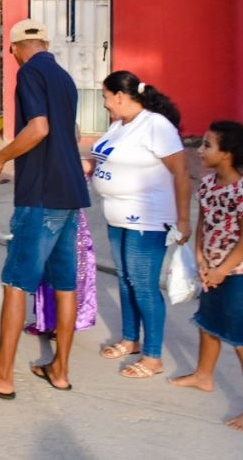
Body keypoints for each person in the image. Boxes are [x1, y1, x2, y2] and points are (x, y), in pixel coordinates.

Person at [0, 19, 90, 398]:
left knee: (17, 283)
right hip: (71, 194)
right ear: (45, 42)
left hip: (41, 195)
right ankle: (60, 369)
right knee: (65, 284)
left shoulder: (29, 73)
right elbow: (72, 132)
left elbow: (39, 128)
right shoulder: (64, 77)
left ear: (14, 49)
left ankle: (1, 375)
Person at [170, 121, 243, 432]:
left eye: (207, 146)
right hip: (213, 271)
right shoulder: (208, 184)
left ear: (227, 154)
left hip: (241, 276)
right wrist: (201, 258)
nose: (200, 151)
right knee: (207, 325)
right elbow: (204, 223)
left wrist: (220, 270)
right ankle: (203, 376)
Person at [90, 70, 191, 379]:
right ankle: (131, 338)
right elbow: (102, 160)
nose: (105, 104)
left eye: (106, 98)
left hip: (146, 219)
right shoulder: (120, 126)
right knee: (125, 280)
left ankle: (153, 355)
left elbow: (181, 173)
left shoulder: (156, 126)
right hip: (117, 217)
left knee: (143, 285)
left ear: (120, 96)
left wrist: (184, 220)